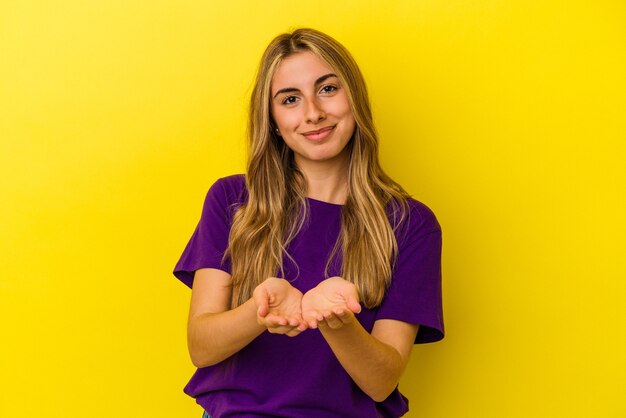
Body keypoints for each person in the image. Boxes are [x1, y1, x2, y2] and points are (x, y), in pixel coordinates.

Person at [173, 28, 444, 418]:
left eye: (328, 89)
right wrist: (260, 311)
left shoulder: (410, 224)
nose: (313, 112)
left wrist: (336, 321)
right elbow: (201, 346)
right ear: (272, 118)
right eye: (290, 99)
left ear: (355, 98)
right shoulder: (233, 201)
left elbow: (382, 381)